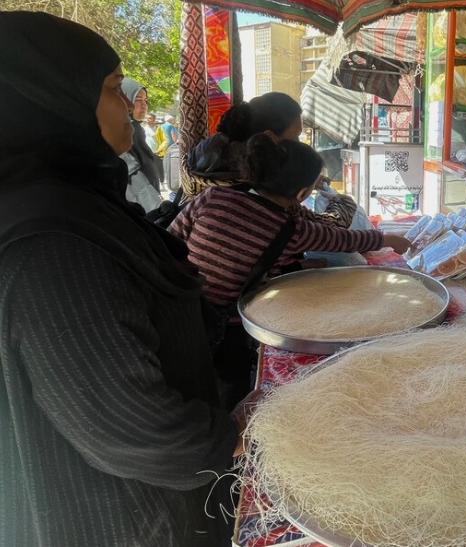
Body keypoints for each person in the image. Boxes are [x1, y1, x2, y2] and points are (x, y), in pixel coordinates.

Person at [0, 12, 240, 546]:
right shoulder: (53, 248)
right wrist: (244, 443)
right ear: (50, 101)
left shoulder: (73, 198)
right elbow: (133, 430)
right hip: (125, 519)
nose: (130, 105)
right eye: (112, 88)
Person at [169, 136, 410, 409]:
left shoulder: (212, 196)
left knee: (189, 384)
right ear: (302, 194)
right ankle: (235, 428)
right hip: (224, 325)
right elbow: (344, 240)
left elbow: (170, 240)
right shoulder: (291, 229)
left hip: (173, 306)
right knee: (228, 386)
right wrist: (388, 238)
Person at [120, 77, 163, 211]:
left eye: (145, 100)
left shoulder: (135, 129)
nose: (144, 105)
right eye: (138, 100)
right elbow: (133, 175)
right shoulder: (125, 130)